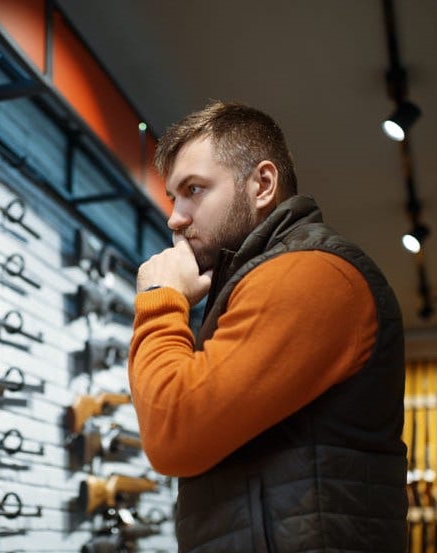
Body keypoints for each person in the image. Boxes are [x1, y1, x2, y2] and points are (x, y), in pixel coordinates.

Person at [128, 101, 408, 552]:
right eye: (173, 197)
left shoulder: (309, 275)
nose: (175, 218)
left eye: (194, 189)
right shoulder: (262, 280)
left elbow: (173, 432)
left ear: (262, 184)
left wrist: (160, 300)